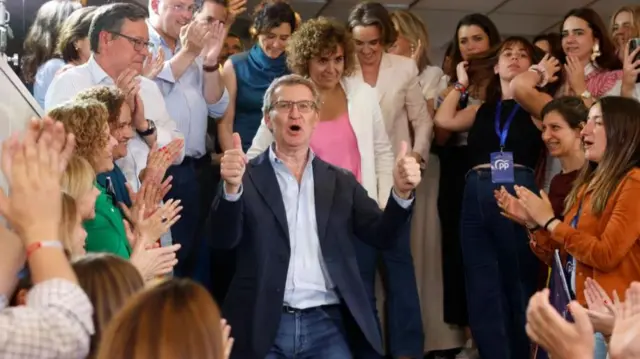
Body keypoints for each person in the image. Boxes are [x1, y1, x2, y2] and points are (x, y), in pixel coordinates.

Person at [206, 74, 421, 359]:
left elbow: (382, 234)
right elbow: (222, 241)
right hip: (263, 322)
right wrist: (231, 189)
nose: (295, 113)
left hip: (327, 324)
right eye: (284, 105)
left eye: (305, 106)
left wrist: (401, 193)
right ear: (268, 120)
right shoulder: (245, 176)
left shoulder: (341, 181)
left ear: (315, 118)